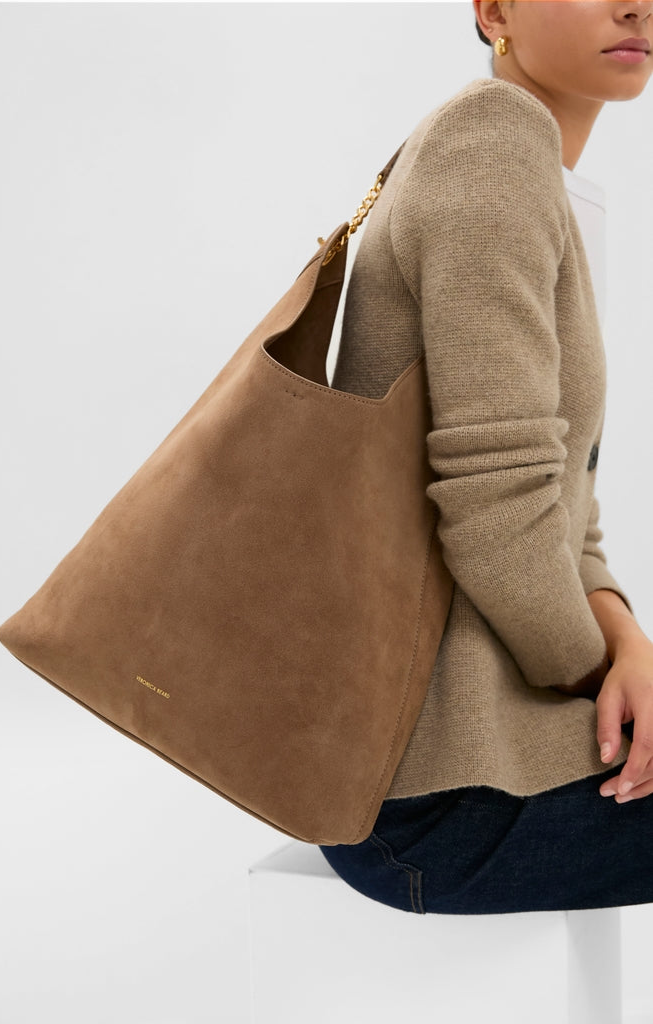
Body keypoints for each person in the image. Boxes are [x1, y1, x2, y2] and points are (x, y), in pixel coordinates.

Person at [318, 0, 653, 915]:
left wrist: (628, 643)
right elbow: (498, 511)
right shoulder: (493, 142)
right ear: (493, 9)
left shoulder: (538, 175)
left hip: (484, 767)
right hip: (443, 802)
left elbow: (557, 510)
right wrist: (604, 686)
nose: (636, 5)